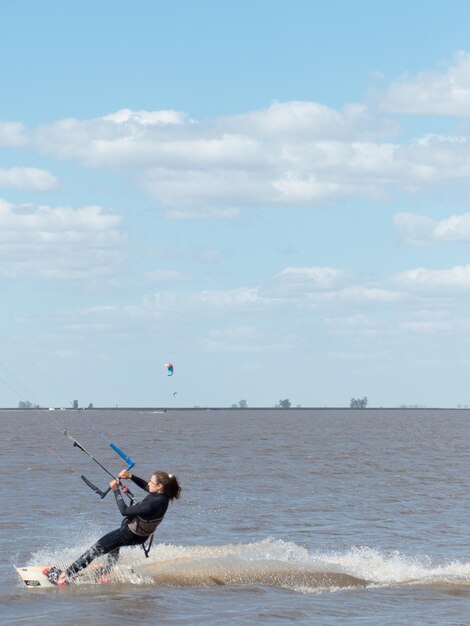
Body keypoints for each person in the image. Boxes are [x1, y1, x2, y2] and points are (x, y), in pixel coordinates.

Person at [44, 469, 181, 585]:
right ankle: (106, 573)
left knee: (95, 550)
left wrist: (116, 490)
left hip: (129, 534)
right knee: (114, 545)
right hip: (140, 537)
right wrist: (131, 477)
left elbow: (125, 511)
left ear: (160, 487)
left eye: (152, 482)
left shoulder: (153, 503)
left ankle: (63, 577)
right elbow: (146, 486)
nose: (149, 483)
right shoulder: (164, 497)